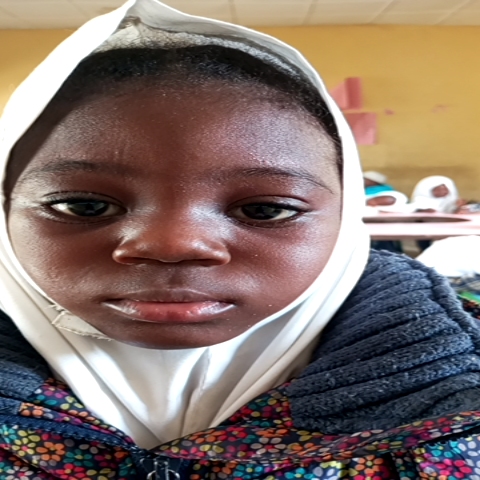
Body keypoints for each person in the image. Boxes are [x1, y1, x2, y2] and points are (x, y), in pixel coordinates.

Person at [1, 1, 480, 478]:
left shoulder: (460, 400)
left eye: (265, 210)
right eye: (84, 206)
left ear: (345, 220)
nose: (174, 245)